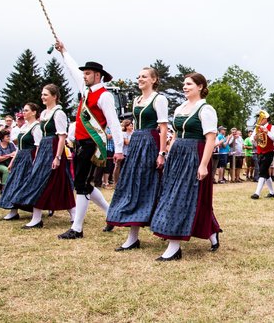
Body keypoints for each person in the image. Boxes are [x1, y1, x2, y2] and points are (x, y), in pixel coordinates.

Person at [54, 40, 124, 239]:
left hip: (93, 144)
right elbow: (72, 69)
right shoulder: (85, 90)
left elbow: (114, 123)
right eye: (84, 73)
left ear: (97, 75)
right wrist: (64, 51)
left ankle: (77, 228)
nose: (84, 76)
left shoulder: (104, 96)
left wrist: (118, 148)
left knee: (82, 184)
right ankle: (111, 214)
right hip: (81, 143)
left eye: (88, 73)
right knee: (82, 183)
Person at [151, 73, 221, 261]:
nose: (184, 87)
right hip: (178, 155)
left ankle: (174, 247)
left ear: (200, 86)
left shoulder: (205, 109)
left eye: (189, 84)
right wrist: (167, 153)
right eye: (184, 84)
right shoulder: (181, 107)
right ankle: (212, 233)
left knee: (181, 197)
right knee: (177, 195)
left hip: (194, 154)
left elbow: (211, 138)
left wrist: (204, 165)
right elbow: (175, 135)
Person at [107, 67, 168, 251]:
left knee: (150, 186)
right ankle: (132, 237)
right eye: (139, 76)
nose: (140, 79)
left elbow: (163, 128)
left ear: (154, 79)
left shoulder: (159, 99)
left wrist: (161, 153)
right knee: (134, 185)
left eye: (144, 76)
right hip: (136, 142)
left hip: (150, 143)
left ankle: (163, 227)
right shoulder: (136, 100)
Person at [14, 84, 75, 229]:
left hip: (54, 148)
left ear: (54, 96)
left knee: (56, 182)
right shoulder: (44, 113)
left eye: (46, 94)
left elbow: (61, 137)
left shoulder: (59, 113)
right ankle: (38, 217)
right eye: (42, 94)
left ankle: (72, 212)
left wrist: (58, 157)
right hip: (44, 148)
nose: (43, 97)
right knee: (40, 180)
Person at [0, 103, 42, 221]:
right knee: (13, 183)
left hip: (29, 158)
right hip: (20, 157)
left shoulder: (36, 127)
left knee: (24, 184)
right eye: (24, 110)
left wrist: (36, 162)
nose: (24, 113)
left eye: (26, 110)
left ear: (34, 112)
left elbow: (38, 147)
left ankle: (34, 210)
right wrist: (12, 161)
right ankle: (13, 211)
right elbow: (19, 147)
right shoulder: (24, 126)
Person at [250, 111, 274, 200]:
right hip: (260, 152)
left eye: (261, 118)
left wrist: (267, 132)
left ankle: (257, 193)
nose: (259, 120)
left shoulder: (272, 127)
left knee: (262, 172)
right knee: (265, 173)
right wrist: (254, 139)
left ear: (266, 119)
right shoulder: (257, 128)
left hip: (269, 152)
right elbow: (252, 141)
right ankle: (272, 192)